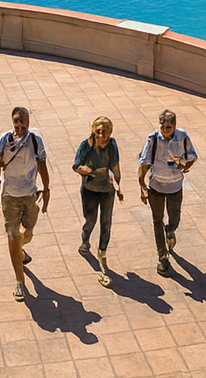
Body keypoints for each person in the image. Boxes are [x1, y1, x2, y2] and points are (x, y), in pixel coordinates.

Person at [0, 106, 50, 302]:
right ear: (12, 121)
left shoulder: (34, 140)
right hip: (10, 195)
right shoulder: (4, 140)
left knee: (28, 232)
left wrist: (47, 189)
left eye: (22, 122)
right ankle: (19, 281)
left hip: (30, 194)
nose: (19, 126)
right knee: (12, 235)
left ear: (28, 123)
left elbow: (42, 165)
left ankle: (19, 249)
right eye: (16, 121)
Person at [138, 109, 198, 276]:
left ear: (175, 126)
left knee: (175, 216)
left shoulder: (182, 137)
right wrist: (142, 186)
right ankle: (163, 257)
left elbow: (192, 156)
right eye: (163, 127)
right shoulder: (152, 139)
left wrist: (185, 166)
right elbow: (144, 163)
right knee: (157, 221)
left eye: (169, 127)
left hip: (175, 186)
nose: (165, 130)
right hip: (156, 186)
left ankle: (170, 230)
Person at [73, 116, 123, 286]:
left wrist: (118, 184)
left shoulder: (112, 145)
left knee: (106, 222)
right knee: (91, 219)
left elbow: (115, 167)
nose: (101, 135)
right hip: (89, 189)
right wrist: (86, 171)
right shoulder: (86, 145)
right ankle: (85, 240)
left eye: (104, 132)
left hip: (107, 190)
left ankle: (102, 250)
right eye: (98, 131)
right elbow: (76, 165)